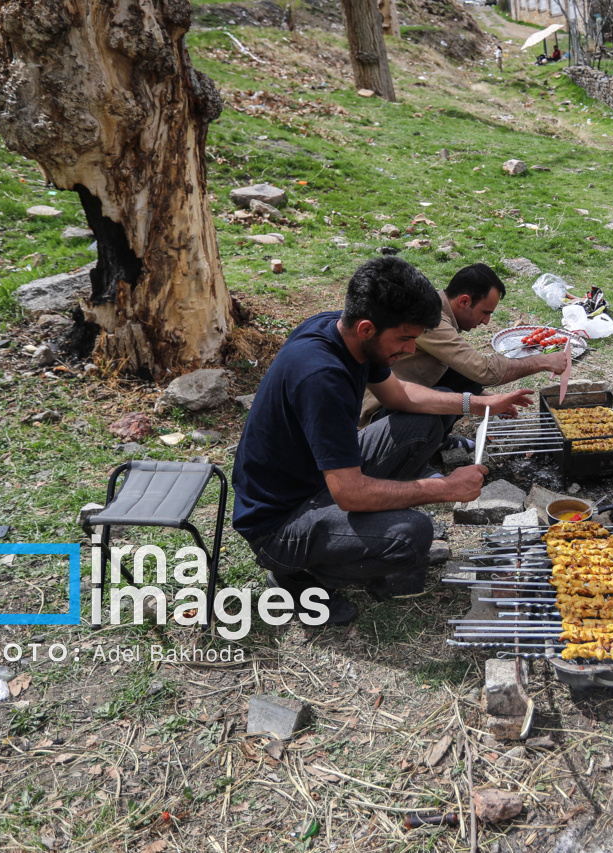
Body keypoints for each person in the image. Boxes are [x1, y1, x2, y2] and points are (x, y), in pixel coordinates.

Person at [232, 257, 534, 627]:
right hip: (279, 525)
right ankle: (296, 576)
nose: (409, 350)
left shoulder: (342, 331)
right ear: (367, 328)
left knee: (427, 416)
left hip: (317, 483)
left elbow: (402, 396)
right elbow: (351, 493)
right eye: (405, 338)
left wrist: (479, 403)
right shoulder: (322, 376)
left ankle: (353, 536)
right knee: (412, 535)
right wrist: (445, 489)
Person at [359, 263, 568, 433]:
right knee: (450, 388)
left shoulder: (438, 312)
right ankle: (416, 459)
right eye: (485, 312)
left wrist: (486, 398)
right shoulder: (429, 320)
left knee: (464, 370)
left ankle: (437, 441)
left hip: (402, 392)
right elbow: (484, 370)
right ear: (465, 301)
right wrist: (543, 361)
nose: (486, 321)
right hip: (378, 413)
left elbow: (469, 368)